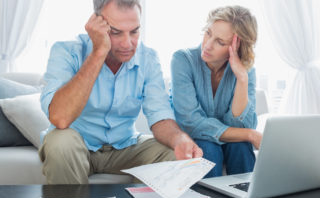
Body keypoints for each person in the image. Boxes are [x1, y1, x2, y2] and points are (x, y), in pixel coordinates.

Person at [39, 0, 202, 184]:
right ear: (96, 25)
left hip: (125, 145)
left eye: (134, 31)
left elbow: (160, 115)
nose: (127, 44)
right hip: (77, 145)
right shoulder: (67, 51)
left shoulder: (148, 58)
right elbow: (60, 118)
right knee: (59, 142)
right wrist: (99, 52)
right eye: (115, 32)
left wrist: (179, 139)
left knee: (175, 154)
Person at [170, 5, 262, 178]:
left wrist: (241, 79)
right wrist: (250, 134)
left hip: (232, 141)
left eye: (220, 42)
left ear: (238, 48)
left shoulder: (245, 71)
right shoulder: (183, 60)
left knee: (241, 147)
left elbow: (242, 125)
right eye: (208, 33)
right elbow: (191, 123)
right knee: (208, 148)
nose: (208, 45)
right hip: (195, 139)